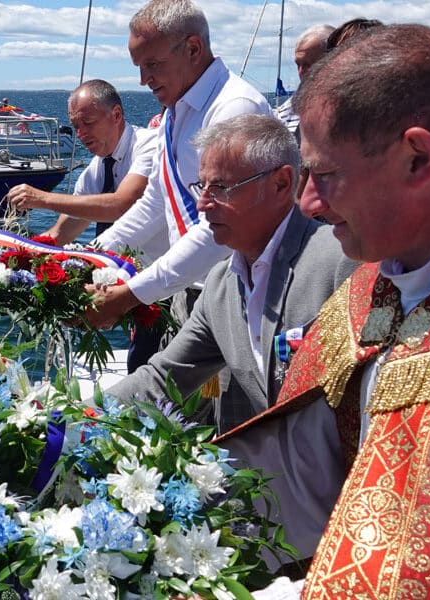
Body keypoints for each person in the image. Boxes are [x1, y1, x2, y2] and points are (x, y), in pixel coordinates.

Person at [222, 24, 430, 598]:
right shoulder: (365, 291)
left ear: (417, 157)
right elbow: (303, 476)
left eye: (325, 175)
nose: (307, 202)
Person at [107, 115, 356, 569]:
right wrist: (71, 419)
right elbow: (164, 378)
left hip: (353, 528)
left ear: (283, 184)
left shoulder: (340, 262)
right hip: (288, 533)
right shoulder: (222, 285)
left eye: (220, 188)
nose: (203, 205)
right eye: (200, 186)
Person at [85, 0, 271, 372]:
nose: (143, 80)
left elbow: (218, 228)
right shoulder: (177, 113)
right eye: (140, 67)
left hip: (240, 300)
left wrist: (130, 295)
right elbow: (156, 201)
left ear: (192, 49)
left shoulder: (235, 109)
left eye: (152, 65)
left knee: (230, 424)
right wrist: (91, 254)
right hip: (193, 293)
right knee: (182, 419)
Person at [6, 79, 157, 246]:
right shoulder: (97, 168)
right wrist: (13, 253)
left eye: (88, 123)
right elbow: (59, 234)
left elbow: (121, 206)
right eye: (76, 126)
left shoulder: (149, 145)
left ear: (116, 115)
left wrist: (41, 198)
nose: (80, 134)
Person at [274, 24, 333, 140]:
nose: (301, 72)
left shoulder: (355, 112)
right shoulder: (286, 113)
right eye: (298, 65)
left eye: (308, 64)